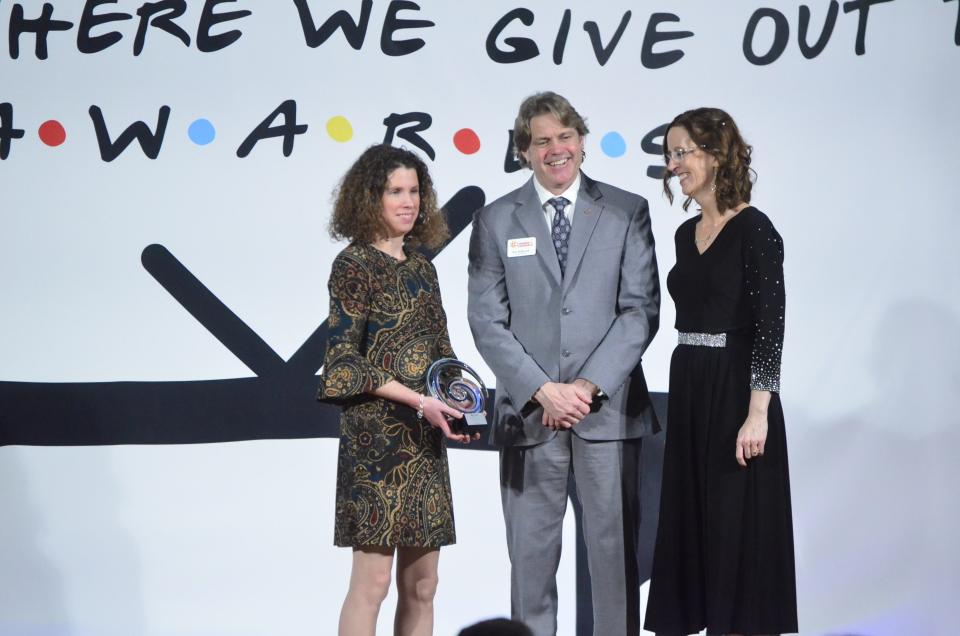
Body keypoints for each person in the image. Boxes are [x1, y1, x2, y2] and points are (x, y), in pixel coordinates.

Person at [467, 91, 661, 636]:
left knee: (615, 570)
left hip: (609, 416)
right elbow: (486, 322)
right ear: (524, 151)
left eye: (565, 136)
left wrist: (585, 386)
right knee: (530, 572)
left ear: (583, 141)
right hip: (530, 419)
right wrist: (542, 390)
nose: (556, 149)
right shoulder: (494, 219)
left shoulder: (627, 210)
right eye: (542, 140)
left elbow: (639, 312)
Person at [644, 108, 798, 636]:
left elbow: (769, 329)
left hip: (736, 396)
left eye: (682, 152)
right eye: (669, 154)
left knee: (736, 528)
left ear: (716, 154)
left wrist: (758, 415)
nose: (673, 164)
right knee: (692, 523)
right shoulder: (686, 234)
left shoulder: (756, 230)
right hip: (689, 385)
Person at [317, 144, 475, 636]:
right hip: (376, 442)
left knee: (423, 584)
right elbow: (343, 359)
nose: (408, 202)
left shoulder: (422, 269)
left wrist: (460, 403)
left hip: (424, 440)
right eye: (395, 192)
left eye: (414, 191)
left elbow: (441, 356)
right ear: (371, 199)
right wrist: (419, 401)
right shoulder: (354, 264)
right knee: (374, 582)